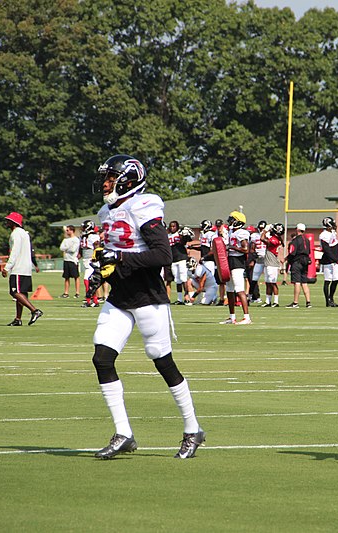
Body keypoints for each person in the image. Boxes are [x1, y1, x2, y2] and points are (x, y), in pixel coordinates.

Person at [87, 154, 204, 459]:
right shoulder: (107, 212)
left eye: (111, 178)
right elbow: (113, 255)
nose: (105, 183)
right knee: (102, 357)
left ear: (128, 180)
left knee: (162, 362)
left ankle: (193, 428)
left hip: (148, 297)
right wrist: (101, 273)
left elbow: (163, 255)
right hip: (120, 296)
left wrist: (122, 260)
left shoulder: (144, 206)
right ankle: (123, 432)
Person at [2, 212, 43, 326]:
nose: (7, 222)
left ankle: (34, 311)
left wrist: (7, 267)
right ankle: (18, 319)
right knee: (22, 294)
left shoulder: (15, 234)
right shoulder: (25, 233)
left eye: (9, 220)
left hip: (18, 268)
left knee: (14, 292)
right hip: (26, 268)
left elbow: (14, 251)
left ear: (14, 222)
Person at [220, 211, 252, 324]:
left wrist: (231, 247)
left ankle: (247, 317)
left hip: (238, 262)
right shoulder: (231, 232)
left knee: (239, 289)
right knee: (229, 289)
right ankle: (232, 317)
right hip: (230, 261)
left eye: (232, 219)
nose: (229, 221)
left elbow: (245, 249)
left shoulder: (242, 233)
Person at [286, 223, 312, 308]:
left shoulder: (295, 240)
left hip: (297, 262)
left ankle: (295, 302)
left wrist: (287, 259)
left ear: (297, 230)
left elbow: (292, 252)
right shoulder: (307, 240)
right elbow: (309, 252)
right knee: (304, 282)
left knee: (297, 282)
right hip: (305, 262)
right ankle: (308, 302)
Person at [318, 217, 338, 307]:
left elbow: (335, 244)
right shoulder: (324, 235)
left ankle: (331, 298)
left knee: (336, 280)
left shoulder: (332, 233)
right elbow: (326, 250)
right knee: (327, 280)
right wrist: (335, 259)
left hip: (334, 260)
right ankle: (327, 301)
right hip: (328, 260)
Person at [167, 221, 193, 305]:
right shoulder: (168, 236)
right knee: (177, 280)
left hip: (182, 258)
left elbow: (188, 239)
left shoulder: (180, 234)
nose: (172, 228)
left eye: (174, 226)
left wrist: (185, 235)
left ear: (177, 227)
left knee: (183, 278)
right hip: (173, 260)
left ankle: (187, 297)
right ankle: (179, 299)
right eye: (171, 226)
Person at [260, 222, 284, 307]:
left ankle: (276, 302)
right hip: (268, 263)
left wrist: (265, 230)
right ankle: (268, 301)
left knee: (273, 283)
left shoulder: (274, 240)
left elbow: (262, 239)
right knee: (268, 282)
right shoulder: (276, 238)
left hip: (272, 263)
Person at [80, 219, 101, 307]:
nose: (82, 228)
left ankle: (89, 301)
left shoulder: (93, 236)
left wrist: (96, 259)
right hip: (86, 260)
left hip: (92, 260)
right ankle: (94, 301)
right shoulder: (84, 236)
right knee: (89, 281)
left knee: (87, 280)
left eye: (84, 226)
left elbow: (97, 247)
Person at [59, 225, 81, 298]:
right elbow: (61, 248)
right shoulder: (65, 240)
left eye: (68, 230)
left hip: (73, 260)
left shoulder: (76, 240)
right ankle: (66, 292)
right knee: (66, 277)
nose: (67, 231)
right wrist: (67, 248)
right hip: (66, 259)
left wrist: (66, 248)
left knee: (76, 277)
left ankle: (77, 292)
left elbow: (73, 250)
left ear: (72, 230)